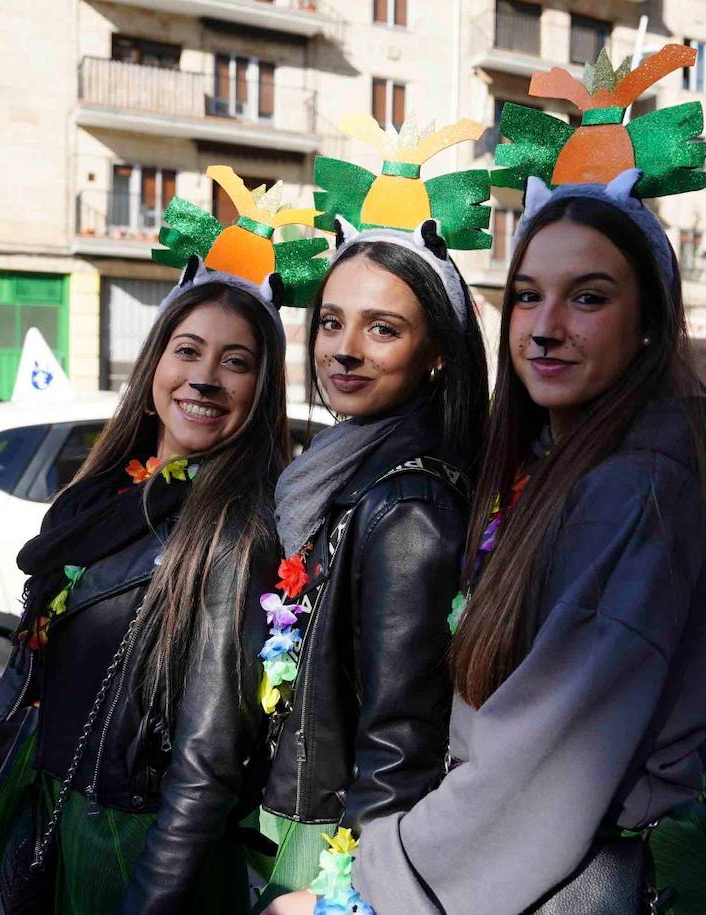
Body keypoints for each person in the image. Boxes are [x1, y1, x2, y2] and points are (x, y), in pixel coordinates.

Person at [272, 168, 706, 915]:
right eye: (528, 295)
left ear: (652, 321)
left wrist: (359, 894)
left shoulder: (639, 492)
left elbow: (547, 756)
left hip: (564, 874)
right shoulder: (556, 464)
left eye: (588, 297)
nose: (545, 325)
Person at [0, 218, 296, 911]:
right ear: (154, 365)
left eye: (236, 362)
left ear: (260, 389)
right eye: (189, 350)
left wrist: (152, 897)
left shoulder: (236, 530)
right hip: (53, 800)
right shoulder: (103, 494)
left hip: (134, 841)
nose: (204, 378)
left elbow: (209, 759)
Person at [253, 120, 490, 910]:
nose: (344, 349)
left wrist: (348, 897)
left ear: (437, 352)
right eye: (332, 321)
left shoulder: (408, 505)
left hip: (344, 848)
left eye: (382, 328)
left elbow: (401, 741)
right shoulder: (344, 467)